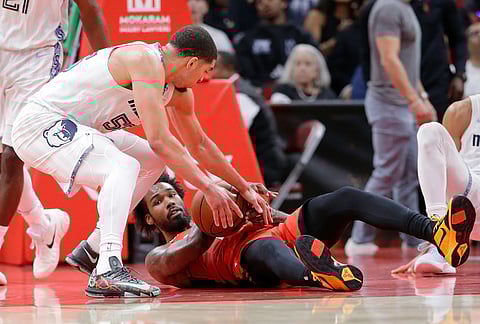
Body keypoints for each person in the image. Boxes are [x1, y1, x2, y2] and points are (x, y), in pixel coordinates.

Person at [11, 25, 270, 298]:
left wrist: (243, 187)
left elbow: (200, 145)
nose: (205, 78)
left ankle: (94, 249)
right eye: (206, 70)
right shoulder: (144, 60)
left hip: (76, 128)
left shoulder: (178, 90)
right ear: (191, 62)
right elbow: (160, 138)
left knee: (151, 159)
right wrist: (208, 187)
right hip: (41, 124)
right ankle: (107, 269)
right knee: (124, 166)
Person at [67, 173, 476, 291]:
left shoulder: (217, 207)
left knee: (344, 197)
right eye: (158, 201)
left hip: (283, 234)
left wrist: (255, 205)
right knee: (261, 253)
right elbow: (191, 247)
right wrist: (219, 220)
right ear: (149, 221)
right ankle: (319, 273)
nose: (170, 201)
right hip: (246, 261)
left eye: (171, 193)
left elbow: (278, 220)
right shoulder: (159, 261)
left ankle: (435, 230)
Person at [0, 0, 110, 285]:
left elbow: (90, 10)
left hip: (36, 58)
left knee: (12, 157)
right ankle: (44, 226)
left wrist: (110, 74)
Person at [346, 0, 436, 256]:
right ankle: (360, 240)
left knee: (408, 175)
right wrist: (413, 99)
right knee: (386, 171)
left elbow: (407, 65)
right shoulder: (388, 7)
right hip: (389, 102)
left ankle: (413, 239)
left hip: (400, 103)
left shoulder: (403, 8)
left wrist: (422, 96)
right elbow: (388, 59)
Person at [392, 95, 480, 275]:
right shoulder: (463, 111)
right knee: (430, 131)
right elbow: (444, 175)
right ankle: (439, 239)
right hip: (471, 196)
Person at [271, 44, 336, 103]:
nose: (302, 69)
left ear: (317, 70)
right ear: (291, 69)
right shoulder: (282, 92)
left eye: (308, 64)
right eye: (298, 64)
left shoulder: (328, 95)